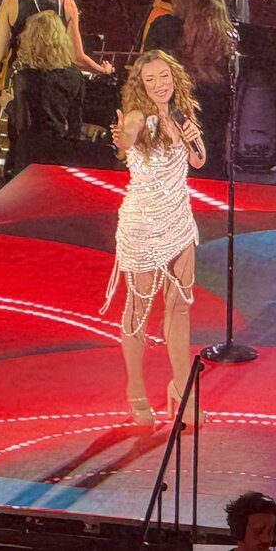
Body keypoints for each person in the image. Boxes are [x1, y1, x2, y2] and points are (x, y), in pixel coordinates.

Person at [102, 50, 205, 425]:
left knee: (179, 307)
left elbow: (198, 161)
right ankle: (135, 390)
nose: (159, 84)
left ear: (174, 78)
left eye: (164, 76)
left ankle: (181, 387)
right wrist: (121, 136)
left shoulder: (182, 115)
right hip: (143, 225)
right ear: (141, 85)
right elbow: (126, 139)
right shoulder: (137, 117)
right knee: (139, 308)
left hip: (179, 221)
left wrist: (192, 137)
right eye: (150, 79)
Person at [144, 0, 234, 177]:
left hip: (176, 115)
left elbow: (147, 75)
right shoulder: (219, 27)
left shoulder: (164, 27)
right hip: (214, 116)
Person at [8, 10, 85, 178]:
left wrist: (7, 104)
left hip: (31, 153)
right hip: (60, 149)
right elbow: (75, 121)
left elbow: (21, 124)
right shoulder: (75, 74)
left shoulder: (24, 76)